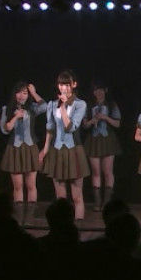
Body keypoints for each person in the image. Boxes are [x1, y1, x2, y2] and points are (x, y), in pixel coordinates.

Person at [40, 70, 90, 221]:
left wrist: (62, 107)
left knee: (77, 196)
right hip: (57, 150)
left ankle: (79, 226)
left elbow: (70, 127)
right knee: (60, 197)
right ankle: (62, 225)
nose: (64, 88)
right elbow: (50, 129)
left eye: (67, 85)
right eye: (61, 85)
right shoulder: (51, 105)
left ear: (74, 85)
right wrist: (45, 150)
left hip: (74, 150)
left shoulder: (80, 104)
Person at [0, 82, 47, 223]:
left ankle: (29, 218)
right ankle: (19, 218)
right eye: (19, 92)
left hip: (30, 148)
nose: (22, 96)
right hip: (14, 148)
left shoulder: (32, 108)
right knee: (18, 186)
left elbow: (44, 106)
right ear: (14, 94)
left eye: (25, 93)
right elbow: (5, 129)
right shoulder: (7, 109)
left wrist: (33, 92)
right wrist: (15, 117)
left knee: (31, 185)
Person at [82, 81, 122, 211]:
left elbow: (117, 124)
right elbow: (84, 125)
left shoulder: (111, 105)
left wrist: (105, 117)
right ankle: (97, 201)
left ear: (105, 90)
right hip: (93, 140)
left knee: (108, 172)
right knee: (96, 172)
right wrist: (92, 121)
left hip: (108, 139)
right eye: (96, 90)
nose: (98, 92)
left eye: (101, 90)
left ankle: (107, 201)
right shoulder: (88, 105)